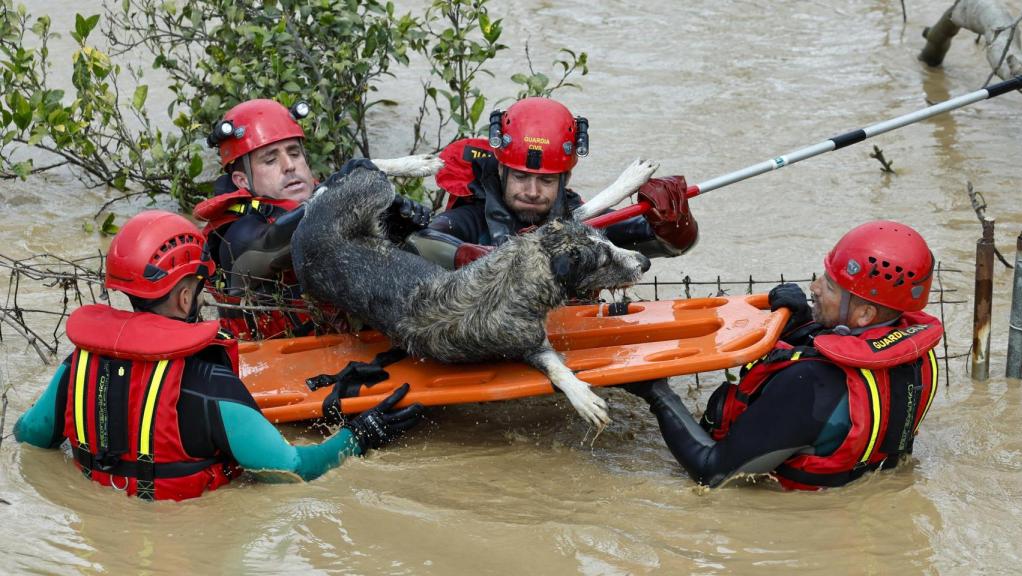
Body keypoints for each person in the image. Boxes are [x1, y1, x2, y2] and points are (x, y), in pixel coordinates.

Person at [14, 211, 423, 501]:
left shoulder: (77, 368)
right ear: (186, 294)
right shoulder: (210, 386)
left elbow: (28, 437)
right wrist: (361, 436)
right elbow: (294, 471)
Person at [624, 220, 943, 490]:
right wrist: (803, 322)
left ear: (864, 315)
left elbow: (713, 474)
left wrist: (656, 392)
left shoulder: (809, 384)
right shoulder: (917, 352)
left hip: (796, 507)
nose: (815, 287)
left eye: (830, 287)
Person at [192, 99, 431, 339]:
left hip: (343, 344)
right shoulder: (236, 234)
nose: (289, 166)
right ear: (242, 181)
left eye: (294, 154)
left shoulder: (329, 199)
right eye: (270, 160)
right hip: (277, 358)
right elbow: (280, 241)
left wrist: (393, 230)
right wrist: (336, 191)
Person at [406, 97, 699, 269]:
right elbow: (419, 241)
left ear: (565, 178)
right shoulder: (471, 218)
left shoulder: (584, 220)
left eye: (546, 180)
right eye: (521, 177)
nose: (532, 192)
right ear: (501, 173)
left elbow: (671, 245)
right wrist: (471, 255)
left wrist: (674, 223)